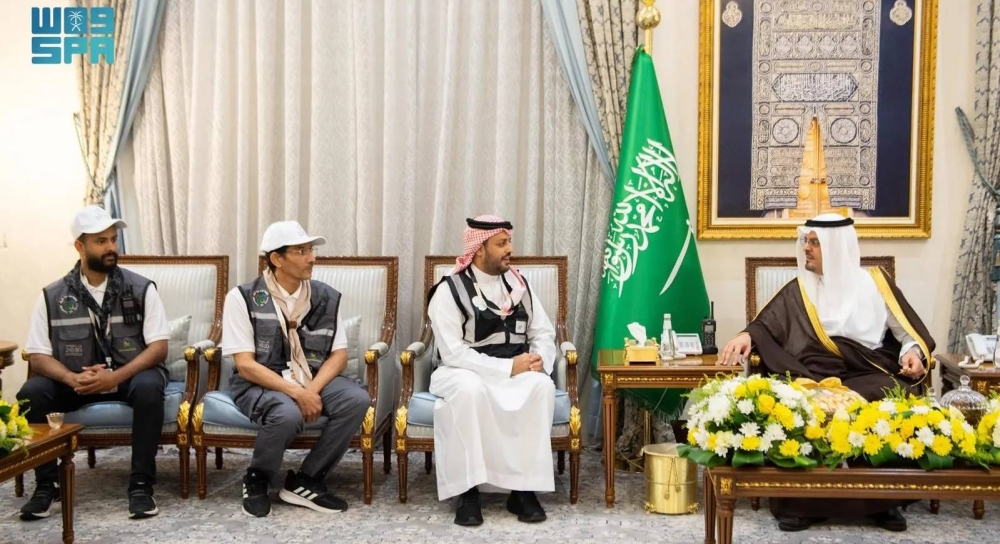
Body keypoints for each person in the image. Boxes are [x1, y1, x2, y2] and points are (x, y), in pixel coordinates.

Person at [720, 213, 934, 532]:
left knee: (888, 397)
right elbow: (765, 325)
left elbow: (908, 334)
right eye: (806, 241)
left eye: (815, 243)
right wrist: (746, 336)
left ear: (837, 247)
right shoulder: (799, 289)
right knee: (795, 400)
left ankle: (883, 502)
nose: (806, 248)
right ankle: (801, 504)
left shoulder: (876, 284)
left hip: (866, 370)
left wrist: (913, 354)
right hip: (810, 371)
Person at [19, 206, 169, 520]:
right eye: (101, 241)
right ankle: (47, 485)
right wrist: (71, 379)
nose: (111, 247)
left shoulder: (141, 288)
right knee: (32, 392)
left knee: (150, 385)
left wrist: (116, 377)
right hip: (76, 382)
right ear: (80, 246)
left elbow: (158, 348)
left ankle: (141, 484)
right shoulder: (52, 296)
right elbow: (38, 355)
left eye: (113, 239)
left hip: (127, 377)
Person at [221, 221, 369, 518]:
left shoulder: (325, 297)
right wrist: (297, 393)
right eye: (301, 251)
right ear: (277, 259)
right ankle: (257, 478)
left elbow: (339, 355)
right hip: (261, 382)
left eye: (311, 250)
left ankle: (307, 478)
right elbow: (245, 365)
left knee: (356, 399)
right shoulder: (243, 298)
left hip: (312, 377)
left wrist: (310, 390)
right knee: (286, 413)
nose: (311, 258)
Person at [427, 215, 557, 526]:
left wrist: (538, 359)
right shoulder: (449, 291)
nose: (509, 249)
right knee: (469, 391)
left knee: (541, 387)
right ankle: (468, 492)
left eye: (509, 241)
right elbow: (453, 353)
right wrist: (508, 367)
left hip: (515, 368)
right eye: (501, 243)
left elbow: (543, 332)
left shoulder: (519, 285)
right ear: (479, 249)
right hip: (462, 370)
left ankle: (522, 489)